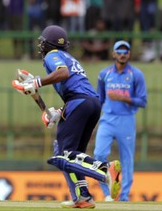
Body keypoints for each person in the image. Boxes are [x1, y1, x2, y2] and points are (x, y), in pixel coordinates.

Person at [12, 25, 121, 208]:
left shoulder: (52, 55)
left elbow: (63, 73)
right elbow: (76, 88)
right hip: (90, 103)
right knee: (71, 155)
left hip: (79, 102)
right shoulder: (68, 56)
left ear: (48, 44)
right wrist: (59, 112)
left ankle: (104, 170)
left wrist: (37, 81)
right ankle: (83, 197)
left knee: (63, 156)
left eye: (42, 43)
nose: (41, 46)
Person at [94, 40, 147, 201]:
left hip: (126, 120)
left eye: (126, 52)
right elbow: (99, 100)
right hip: (107, 119)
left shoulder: (136, 75)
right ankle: (107, 194)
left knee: (127, 159)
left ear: (129, 54)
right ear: (113, 54)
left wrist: (124, 98)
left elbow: (142, 101)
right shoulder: (105, 74)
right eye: (119, 51)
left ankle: (124, 196)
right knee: (99, 155)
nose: (123, 54)